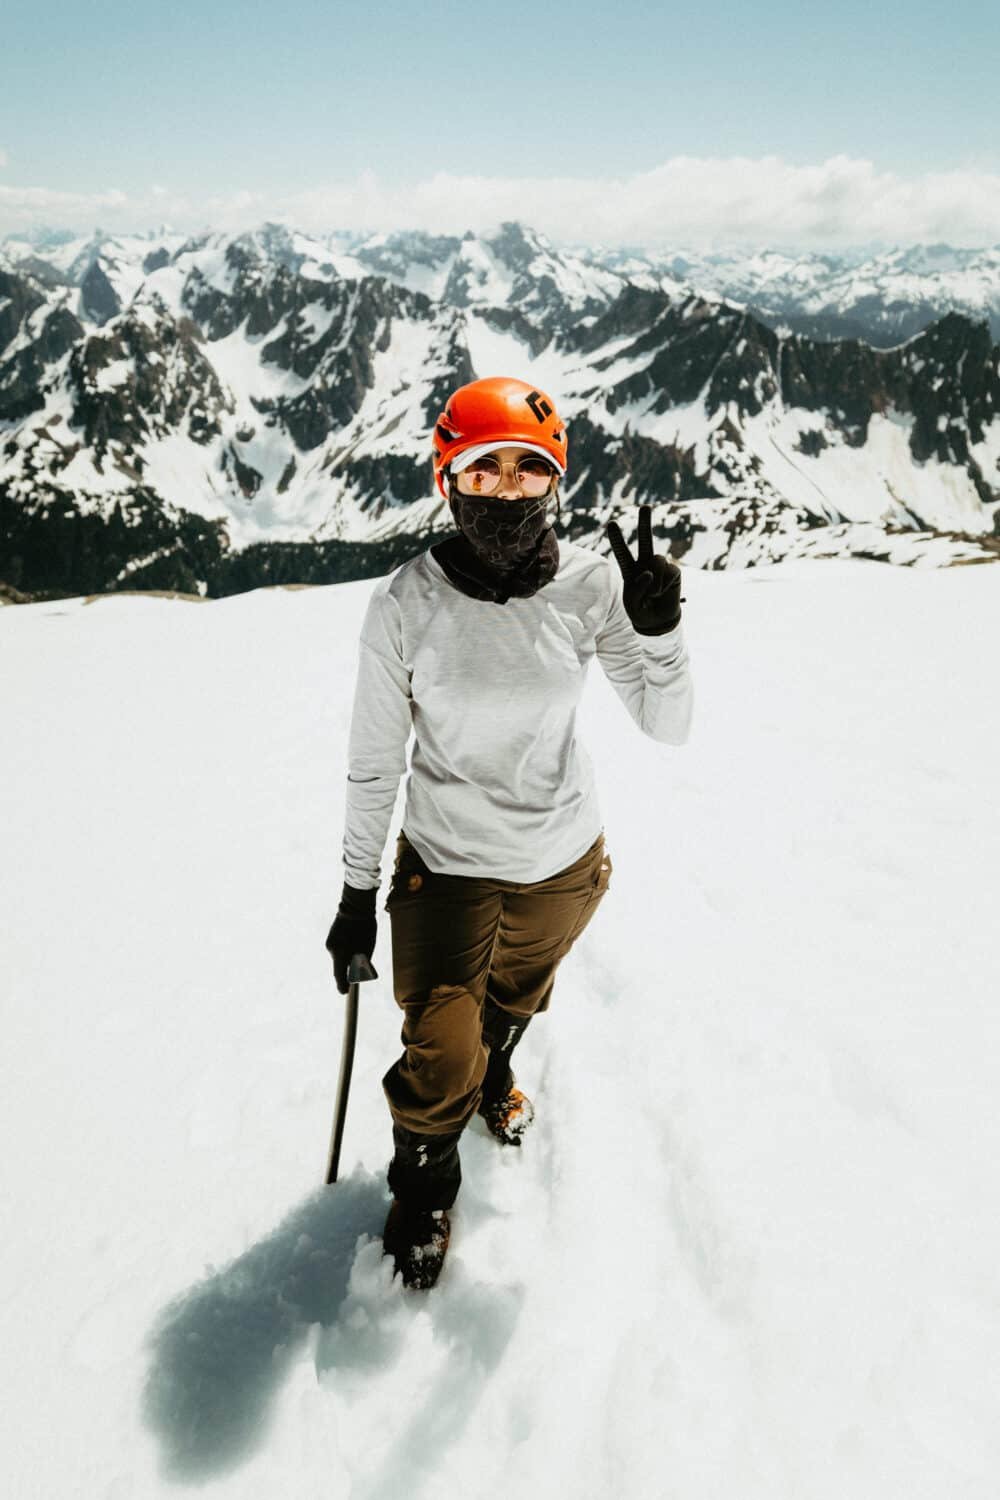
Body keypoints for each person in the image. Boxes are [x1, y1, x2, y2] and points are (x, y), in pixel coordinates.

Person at [326, 375, 693, 1289]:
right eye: (481, 470)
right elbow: (376, 761)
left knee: (513, 1004)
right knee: (441, 1040)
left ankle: (497, 1075)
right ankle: (425, 1184)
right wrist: (355, 891)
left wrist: (659, 634)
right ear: (446, 476)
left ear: (554, 480)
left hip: (564, 863)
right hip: (446, 865)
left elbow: (667, 721)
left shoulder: (589, 585)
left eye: (527, 471)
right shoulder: (406, 605)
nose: (505, 490)